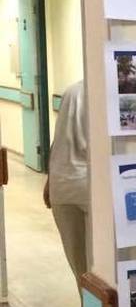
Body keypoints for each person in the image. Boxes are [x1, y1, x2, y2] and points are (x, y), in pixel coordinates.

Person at [43, 79, 89, 291]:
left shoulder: (71, 91)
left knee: (81, 273)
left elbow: (58, 140)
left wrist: (50, 180)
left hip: (62, 187)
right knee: (100, 276)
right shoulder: (100, 94)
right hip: (89, 188)